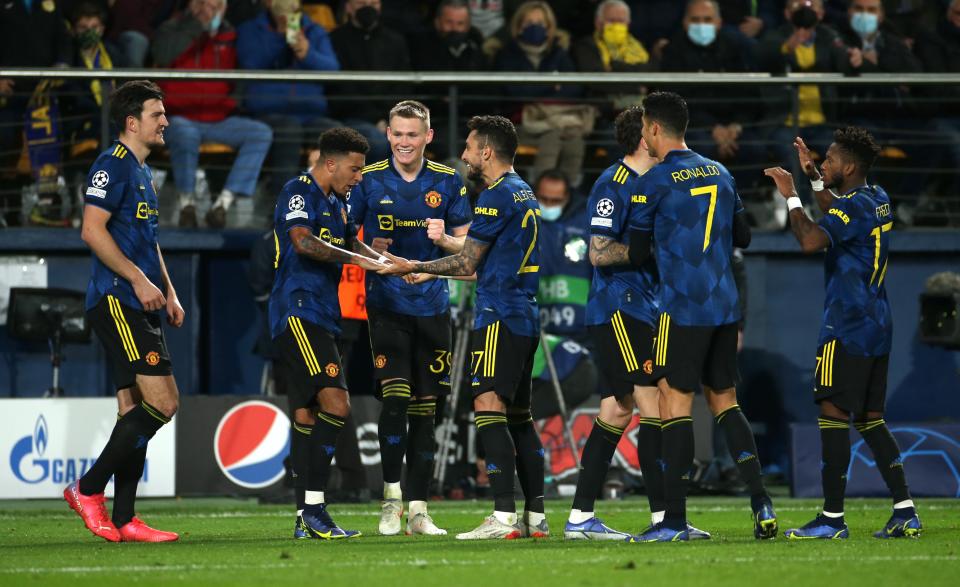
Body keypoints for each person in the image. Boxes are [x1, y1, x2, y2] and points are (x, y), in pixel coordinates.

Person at [378, 115, 546, 541]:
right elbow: (481, 253)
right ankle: (535, 517)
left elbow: (469, 263)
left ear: (486, 151)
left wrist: (415, 265)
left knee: (489, 408)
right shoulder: (522, 191)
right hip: (526, 316)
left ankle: (503, 516)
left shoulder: (492, 197)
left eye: (470, 148)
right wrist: (438, 264)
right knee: (521, 418)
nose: (466, 156)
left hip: (499, 316)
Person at [624, 92, 776, 542]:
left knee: (676, 406)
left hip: (681, 308)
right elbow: (744, 235)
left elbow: (634, 252)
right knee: (726, 402)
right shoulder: (721, 171)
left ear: (653, 128)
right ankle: (761, 501)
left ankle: (673, 521)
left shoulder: (653, 181)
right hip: (724, 307)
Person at [763, 127, 922, 540]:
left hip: (846, 325)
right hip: (877, 323)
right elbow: (838, 211)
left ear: (849, 166)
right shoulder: (878, 198)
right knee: (871, 420)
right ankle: (905, 511)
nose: (825, 162)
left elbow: (812, 240)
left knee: (832, 413)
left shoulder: (851, 209)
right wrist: (815, 177)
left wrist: (792, 194)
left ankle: (832, 518)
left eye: (831, 159)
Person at [562, 106, 709, 542]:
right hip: (619, 309)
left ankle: (580, 518)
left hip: (645, 307)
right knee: (654, 407)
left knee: (616, 409)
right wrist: (644, 250)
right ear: (647, 138)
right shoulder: (614, 184)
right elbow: (598, 252)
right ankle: (665, 519)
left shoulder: (657, 184)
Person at [64, 80, 182, 543]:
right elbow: (91, 231)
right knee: (164, 403)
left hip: (141, 298)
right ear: (133, 123)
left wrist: (168, 291)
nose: (165, 121)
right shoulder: (111, 166)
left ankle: (126, 517)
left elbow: (150, 242)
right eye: (157, 114)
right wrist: (138, 279)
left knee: (132, 406)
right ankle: (88, 489)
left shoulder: (142, 172)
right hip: (117, 299)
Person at [346, 100, 471, 536]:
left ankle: (419, 511)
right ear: (388, 134)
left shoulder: (449, 182)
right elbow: (347, 240)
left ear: (428, 137)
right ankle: (391, 498)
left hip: (434, 308)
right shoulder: (369, 179)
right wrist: (373, 255)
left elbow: (468, 252)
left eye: (412, 134)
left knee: (425, 411)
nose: (403, 142)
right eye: (397, 134)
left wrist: (440, 247)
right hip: (386, 306)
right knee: (395, 398)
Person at [270, 127, 387, 540]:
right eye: (355, 169)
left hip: (322, 313)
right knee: (337, 405)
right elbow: (303, 243)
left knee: (308, 415)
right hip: (298, 310)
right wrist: (360, 261)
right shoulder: (298, 191)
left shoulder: (337, 202)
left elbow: (352, 241)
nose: (359, 177)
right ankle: (315, 511)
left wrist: (385, 259)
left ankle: (306, 517)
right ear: (331, 162)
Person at [152, 0, 273, 228]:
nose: (212, 10)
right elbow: (163, 53)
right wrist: (197, 27)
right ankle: (187, 204)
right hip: (180, 116)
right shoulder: (172, 28)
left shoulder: (230, 35)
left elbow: (243, 71)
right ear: (194, 5)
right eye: (207, 4)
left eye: (217, 5)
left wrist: (233, 100)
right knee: (185, 134)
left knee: (260, 133)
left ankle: (222, 206)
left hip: (219, 118)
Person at [236, 0, 343, 196]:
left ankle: (333, 208)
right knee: (289, 131)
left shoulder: (314, 31)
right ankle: (283, 208)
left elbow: (332, 69)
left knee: (338, 136)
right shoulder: (251, 29)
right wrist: (282, 36)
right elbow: (251, 63)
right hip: (269, 111)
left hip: (310, 113)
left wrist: (307, 53)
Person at [532, 169, 590, 339]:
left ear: (567, 197)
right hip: (536, 323)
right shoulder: (523, 220)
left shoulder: (586, 220)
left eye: (555, 201)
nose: (549, 205)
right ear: (535, 194)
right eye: (544, 199)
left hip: (579, 325)